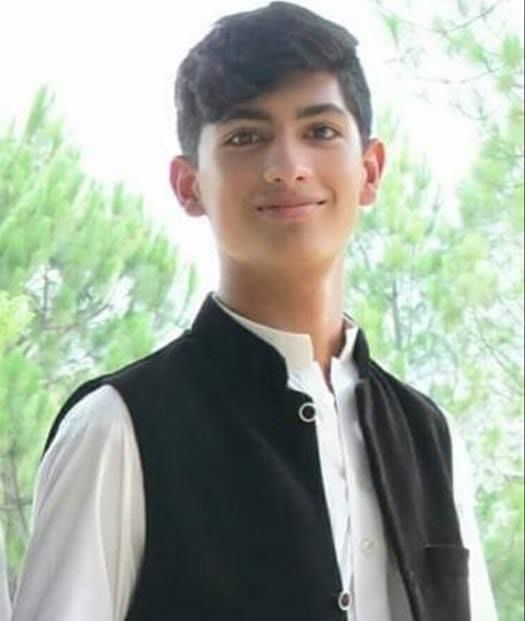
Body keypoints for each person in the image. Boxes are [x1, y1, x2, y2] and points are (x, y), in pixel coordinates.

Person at [12, 2, 497, 620]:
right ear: (188, 185)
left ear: (370, 171)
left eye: (320, 132)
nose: (287, 167)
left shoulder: (432, 437)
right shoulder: (116, 429)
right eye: (245, 137)